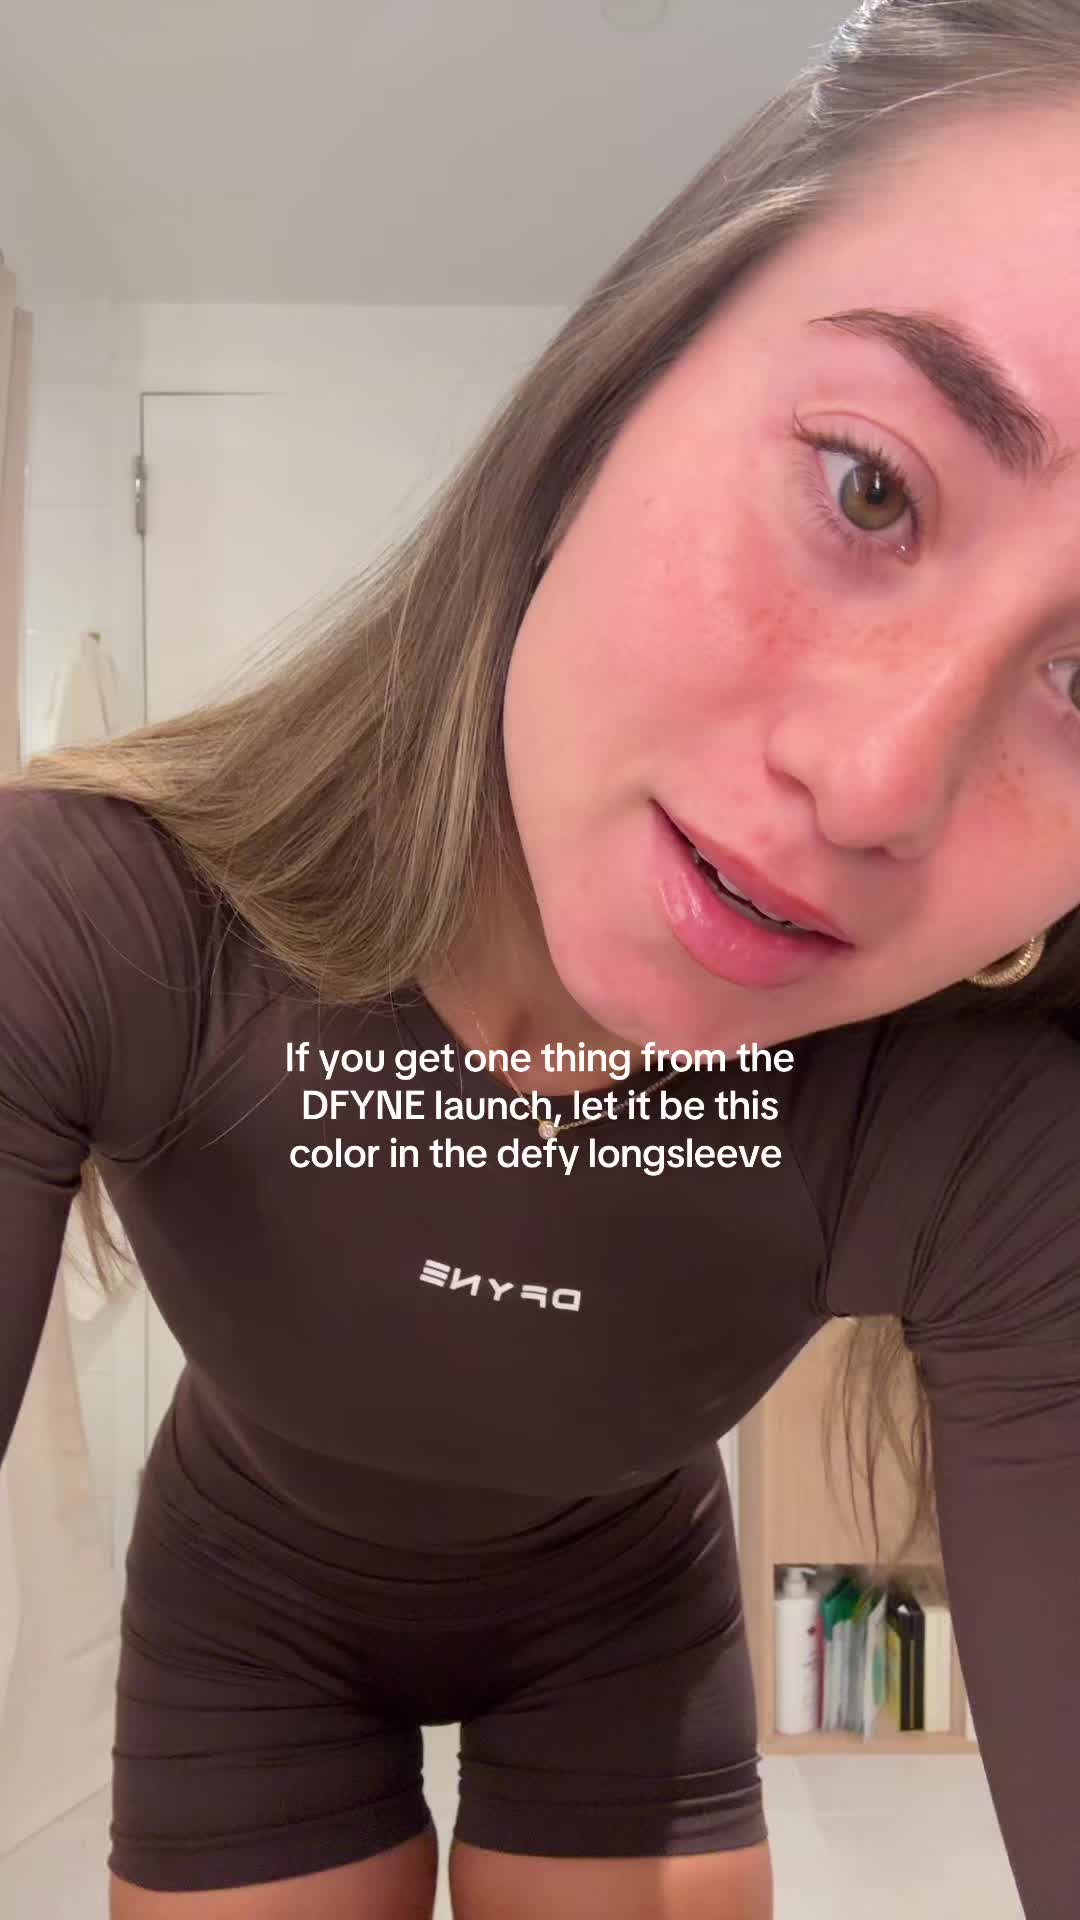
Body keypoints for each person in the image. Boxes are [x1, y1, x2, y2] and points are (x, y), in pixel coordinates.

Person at [3, 2, 1080, 1914]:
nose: (876, 786)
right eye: (869, 483)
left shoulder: (984, 1140)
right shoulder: (100, 926)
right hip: (244, 1613)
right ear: (614, 388)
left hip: (623, 1628)